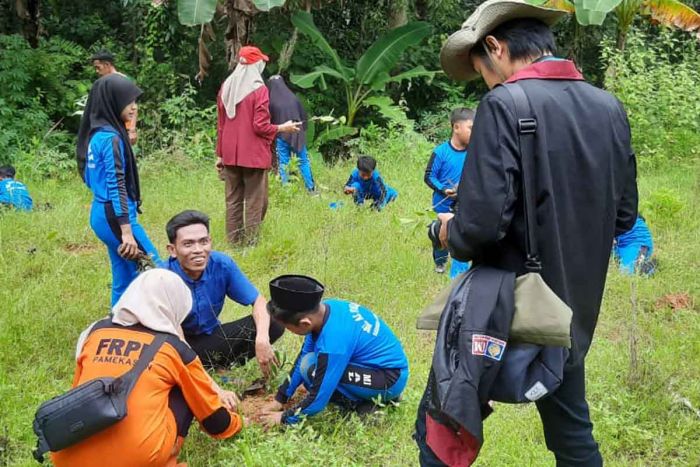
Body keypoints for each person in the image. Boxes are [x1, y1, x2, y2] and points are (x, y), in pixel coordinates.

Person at [417, 1, 639, 465]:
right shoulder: (609, 108)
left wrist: (447, 233)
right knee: (573, 433)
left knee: (442, 426)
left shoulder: (504, 103)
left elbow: (480, 225)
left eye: (482, 71)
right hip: (571, 308)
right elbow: (624, 217)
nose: (487, 82)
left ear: (495, 47)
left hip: (501, 305)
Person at [51, 269, 243, 467]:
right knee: (185, 385)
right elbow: (215, 422)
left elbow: (77, 392)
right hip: (139, 459)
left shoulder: (95, 331)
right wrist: (238, 423)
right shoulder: (174, 349)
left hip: (66, 450)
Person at [260, 275, 409, 427]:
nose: (287, 330)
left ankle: (364, 405)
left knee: (313, 370)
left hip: (388, 378)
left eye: (287, 327)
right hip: (371, 368)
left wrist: (284, 418)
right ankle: (369, 396)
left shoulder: (334, 342)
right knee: (308, 364)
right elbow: (303, 357)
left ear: (305, 323)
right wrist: (280, 398)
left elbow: (318, 398)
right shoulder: (325, 310)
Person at [160, 210, 284, 372]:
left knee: (274, 320)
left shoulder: (221, 264)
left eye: (203, 241)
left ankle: (217, 366)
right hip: (173, 346)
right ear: (172, 250)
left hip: (209, 339)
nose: (198, 250)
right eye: (188, 244)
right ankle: (203, 371)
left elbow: (258, 301)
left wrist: (262, 339)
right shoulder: (162, 278)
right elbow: (174, 334)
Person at [76, 74, 160, 306]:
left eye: (135, 101)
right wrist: (126, 231)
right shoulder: (111, 138)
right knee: (158, 272)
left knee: (123, 277)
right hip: (116, 217)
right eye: (128, 101)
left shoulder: (97, 134)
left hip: (102, 213)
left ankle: (117, 323)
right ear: (113, 102)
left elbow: (91, 177)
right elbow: (117, 184)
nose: (134, 107)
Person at [215, 46, 301, 245]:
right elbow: (260, 126)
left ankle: (234, 242)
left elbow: (221, 125)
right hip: (252, 154)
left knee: (233, 200)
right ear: (255, 65)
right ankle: (251, 244)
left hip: (230, 154)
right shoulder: (258, 90)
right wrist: (282, 127)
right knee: (255, 201)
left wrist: (220, 154)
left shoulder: (226, 87)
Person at [424, 108, 474, 277]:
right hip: (443, 203)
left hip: (465, 205)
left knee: (460, 237)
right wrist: (443, 189)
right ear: (456, 127)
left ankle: (459, 276)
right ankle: (440, 262)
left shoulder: (475, 152)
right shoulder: (441, 152)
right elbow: (429, 176)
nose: (474, 133)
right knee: (439, 236)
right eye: (470, 128)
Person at [268, 75, 316, 192]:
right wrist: (302, 132)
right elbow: (303, 116)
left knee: (284, 162)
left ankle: (286, 189)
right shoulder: (294, 98)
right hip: (297, 133)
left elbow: (269, 121)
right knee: (303, 161)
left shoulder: (272, 101)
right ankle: (311, 189)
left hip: (282, 135)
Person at [90, 50, 138, 144]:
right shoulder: (105, 83)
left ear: (107, 65)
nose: (97, 71)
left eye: (98, 67)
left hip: (123, 130)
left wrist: (131, 130)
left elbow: (133, 106)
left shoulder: (122, 81)